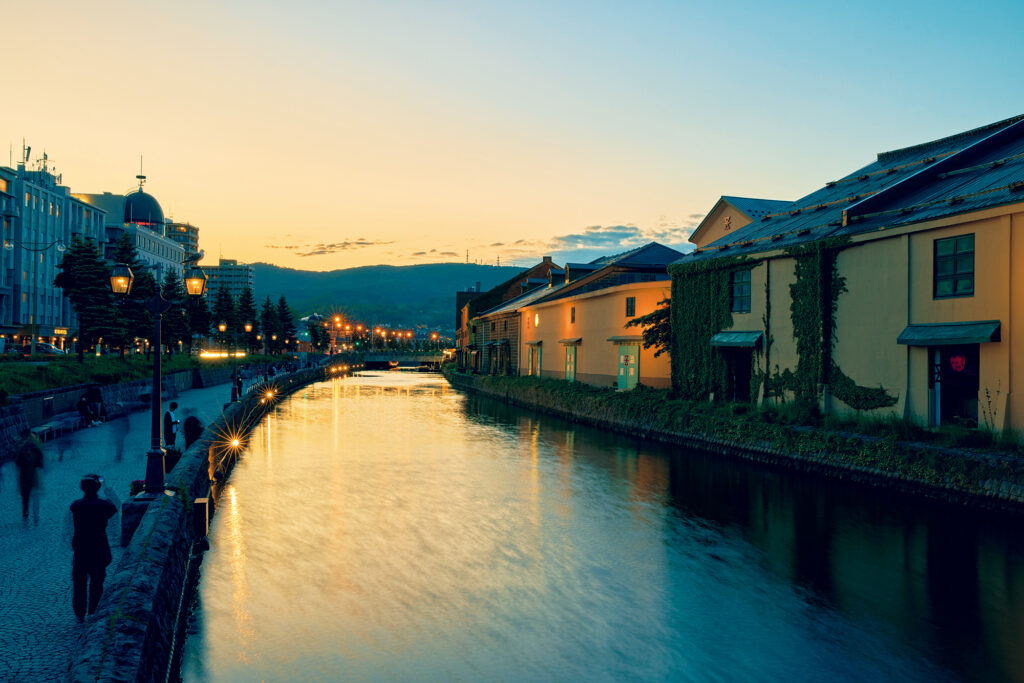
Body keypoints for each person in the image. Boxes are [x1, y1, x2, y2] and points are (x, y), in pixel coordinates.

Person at [69, 474, 117, 623]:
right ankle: (93, 610)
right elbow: (115, 507)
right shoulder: (104, 505)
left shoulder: (76, 505)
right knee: (97, 581)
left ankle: (79, 613)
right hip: (98, 546)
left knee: (79, 582)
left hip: (81, 547)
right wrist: (106, 488)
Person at [14, 429, 43, 521]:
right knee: (35, 496)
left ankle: (25, 512)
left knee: (25, 496)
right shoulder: (36, 448)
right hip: (34, 476)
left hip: (24, 476)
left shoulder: (21, 448)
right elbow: (40, 462)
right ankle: (35, 515)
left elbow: (17, 463)